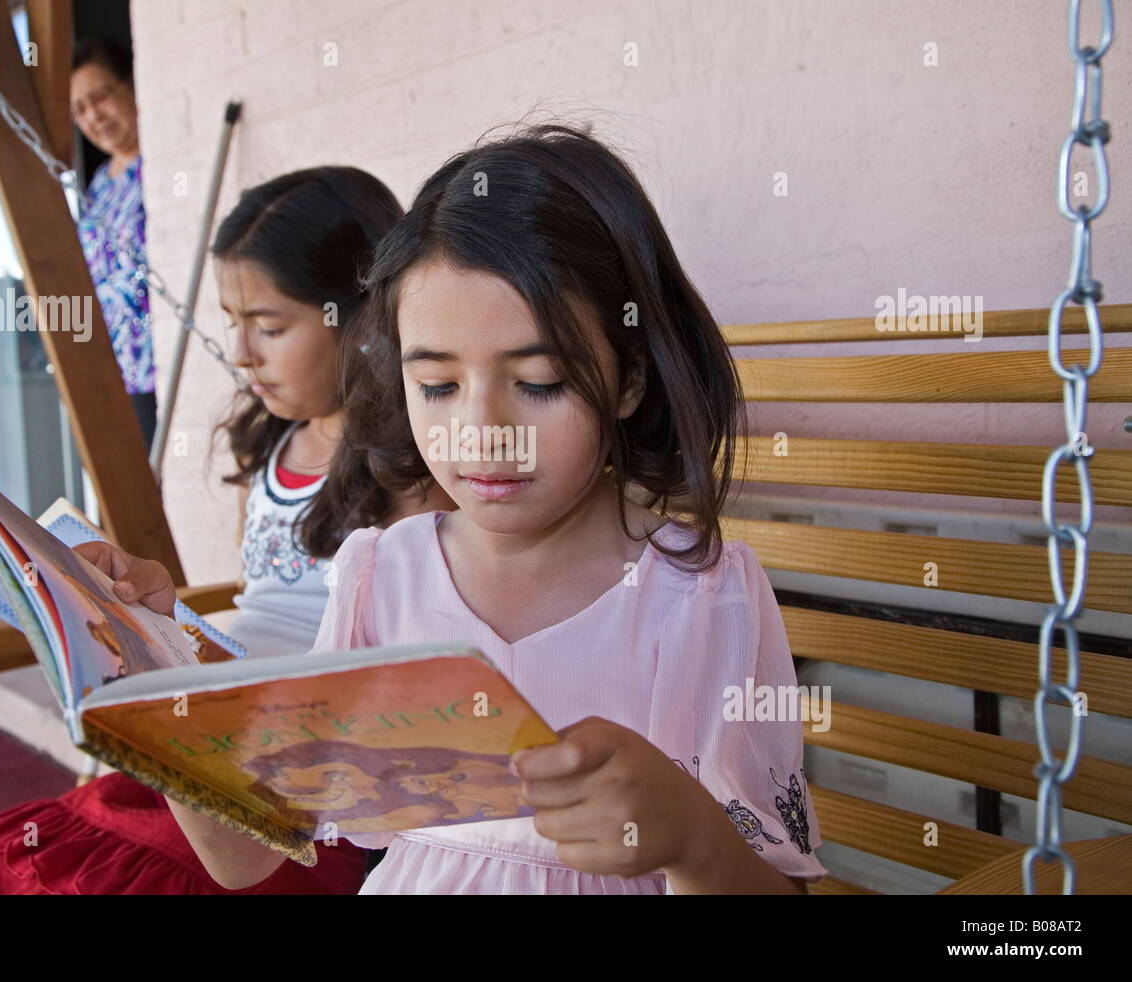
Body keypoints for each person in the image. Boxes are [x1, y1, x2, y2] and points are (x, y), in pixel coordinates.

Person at [163, 122, 831, 894]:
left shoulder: (696, 594)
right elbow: (245, 855)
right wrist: (151, 661)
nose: (483, 435)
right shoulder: (383, 576)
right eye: (438, 387)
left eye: (540, 380)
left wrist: (690, 836)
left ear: (630, 379)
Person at [0, 167, 450, 895]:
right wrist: (157, 618)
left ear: (359, 317)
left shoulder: (414, 479)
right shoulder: (281, 448)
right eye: (233, 322)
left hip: (289, 803)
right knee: (10, 871)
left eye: (267, 325)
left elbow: (400, 688)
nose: (239, 350)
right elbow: (260, 606)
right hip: (201, 753)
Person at [70, 37, 157, 450]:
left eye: (99, 97)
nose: (92, 117)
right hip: (113, 373)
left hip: (157, 367)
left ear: (132, 83)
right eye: (79, 110)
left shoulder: (162, 165)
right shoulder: (100, 184)